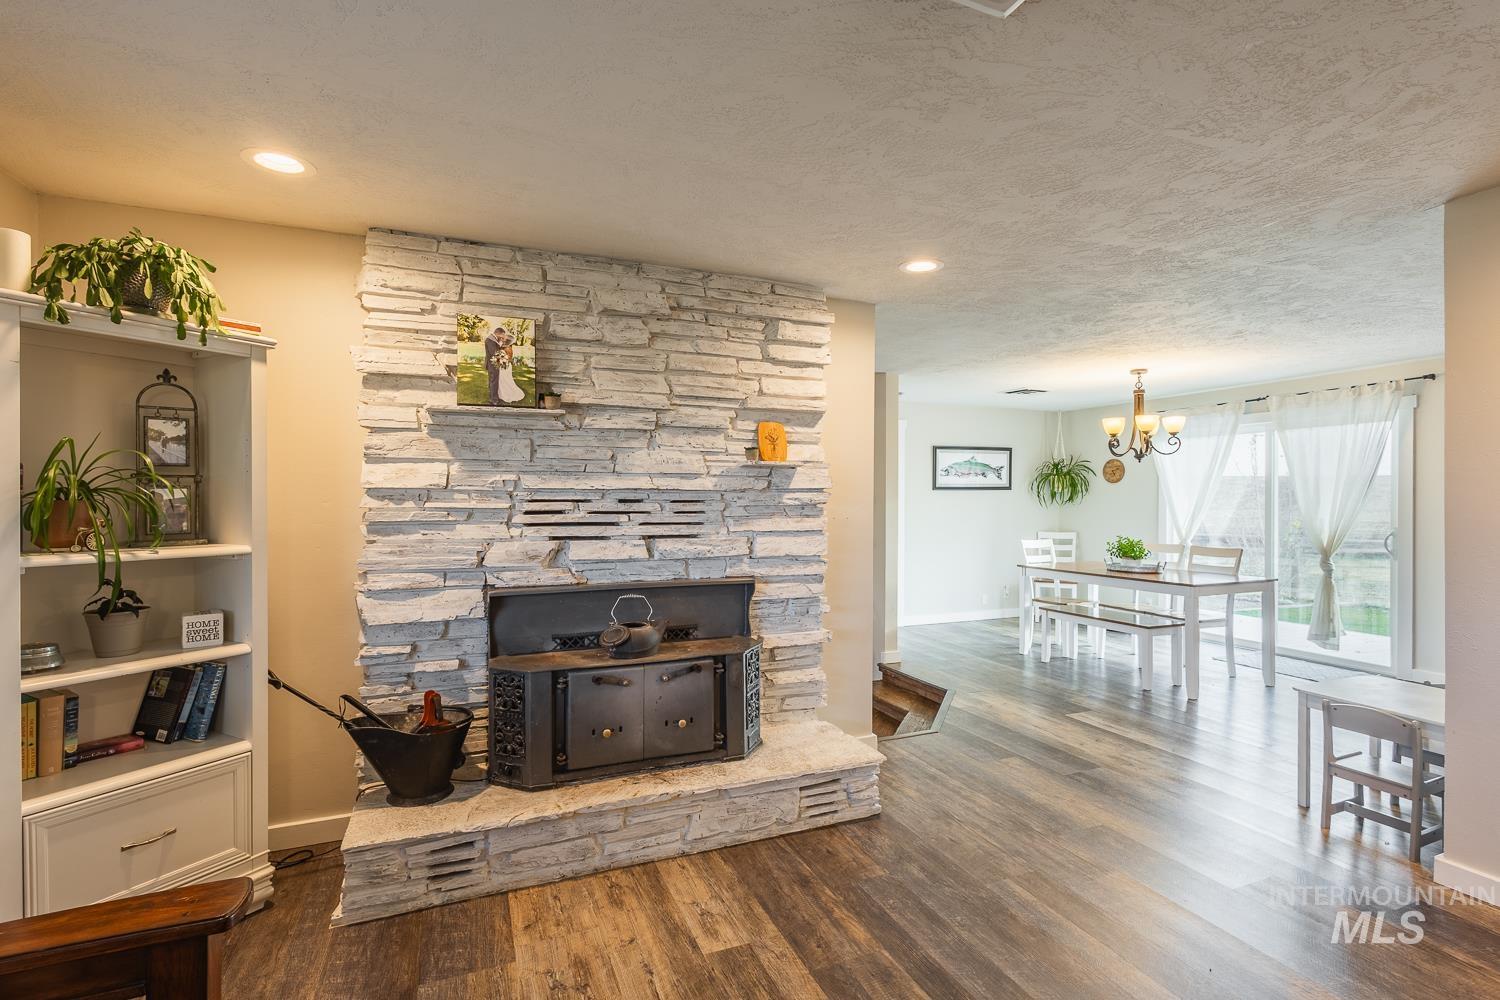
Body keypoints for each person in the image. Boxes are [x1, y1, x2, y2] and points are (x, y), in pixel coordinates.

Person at [484, 326, 524, 404]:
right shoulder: (490, 340)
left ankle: (494, 397)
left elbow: (498, 352)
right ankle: (494, 400)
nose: (503, 337)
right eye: (503, 335)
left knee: (494, 381)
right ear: (500, 333)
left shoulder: (495, 340)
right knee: (493, 381)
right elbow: (495, 353)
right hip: (493, 364)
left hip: (496, 364)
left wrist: (504, 359)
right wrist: (503, 359)